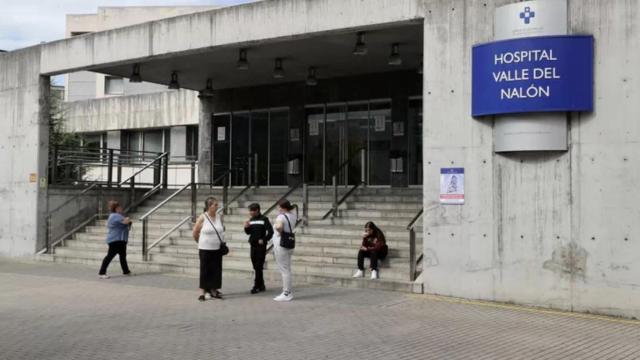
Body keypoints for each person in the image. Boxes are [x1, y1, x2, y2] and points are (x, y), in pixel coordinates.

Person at [192, 197, 225, 301]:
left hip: (217, 248)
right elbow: (195, 232)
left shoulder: (219, 216)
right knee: (205, 270)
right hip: (205, 248)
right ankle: (203, 292)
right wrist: (200, 242)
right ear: (209, 206)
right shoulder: (203, 217)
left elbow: (222, 229)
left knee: (216, 270)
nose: (217, 206)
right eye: (215, 205)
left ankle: (214, 290)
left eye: (217, 204)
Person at [244, 203, 274, 294]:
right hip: (252, 245)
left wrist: (264, 240)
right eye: (250, 211)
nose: (250, 212)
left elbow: (271, 232)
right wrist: (246, 227)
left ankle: (256, 286)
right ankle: (262, 285)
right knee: (255, 266)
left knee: (258, 266)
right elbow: (248, 232)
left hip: (261, 246)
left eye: (252, 211)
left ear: (257, 210)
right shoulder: (251, 219)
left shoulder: (264, 219)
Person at [98, 200, 132, 279]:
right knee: (109, 256)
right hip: (115, 240)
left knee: (122, 256)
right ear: (116, 208)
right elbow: (126, 222)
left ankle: (126, 271)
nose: (121, 208)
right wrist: (128, 219)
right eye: (119, 207)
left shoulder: (116, 215)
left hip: (120, 240)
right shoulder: (115, 216)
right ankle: (102, 272)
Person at [272, 199, 297, 302]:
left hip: (281, 244)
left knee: (284, 270)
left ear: (283, 208)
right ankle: (287, 292)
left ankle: (287, 292)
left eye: (279, 207)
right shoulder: (292, 216)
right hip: (289, 243)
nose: (278, 209)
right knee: (287, 269)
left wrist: (278, 230)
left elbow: (279, 226)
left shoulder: (281, 216)